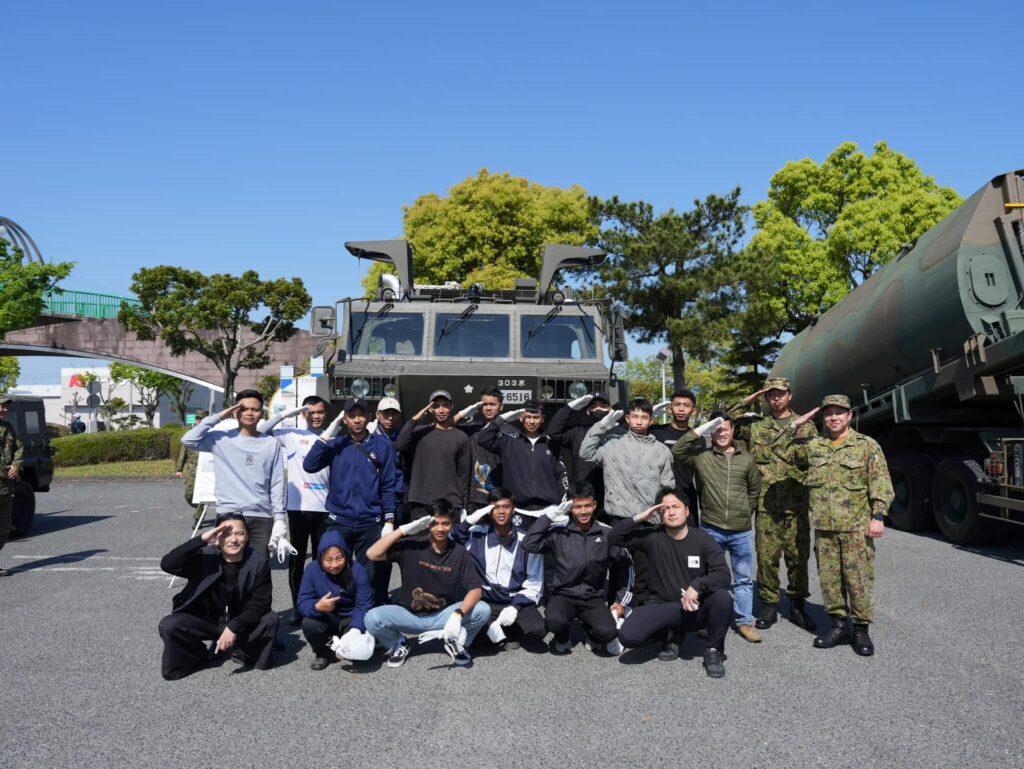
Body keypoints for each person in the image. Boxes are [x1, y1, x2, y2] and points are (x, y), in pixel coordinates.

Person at [773, 395, 893, 656]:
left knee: (858, 581)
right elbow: (779, 450)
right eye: (828, 413)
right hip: (824, 529)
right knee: (830, 581)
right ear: (823, 418)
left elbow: (881, 482)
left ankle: (860, 629)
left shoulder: (866, 445)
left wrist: (878, 516)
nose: (834, 417)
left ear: (850, 415)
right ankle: (839, 626)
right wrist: (794, 425)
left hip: (855, 528)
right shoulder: (814, 446)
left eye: (839, 412)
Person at [611, 488, 733, 678]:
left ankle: (713, 651)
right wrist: (639, 517)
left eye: (675, 506)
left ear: (687, 510)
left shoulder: (702, 539)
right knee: (628, 636)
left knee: (723, 598)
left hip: (693, 608)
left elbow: (724, 575)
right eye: (665, 509)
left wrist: (697, 585)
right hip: (662, 606)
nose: (671, 512)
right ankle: (671, 633)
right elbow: (613, 537)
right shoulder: (652, 536)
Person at [728, 377, 816, 631]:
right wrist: (748, 400)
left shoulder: (806, 426)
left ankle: (797, 605)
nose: (776, 398)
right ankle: (768, 605)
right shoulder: (755, 426)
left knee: (798, 558)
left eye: (781, 394)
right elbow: (725, 422)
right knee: (767, 558)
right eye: (771, 394)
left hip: (797, 504)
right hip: (767, 504)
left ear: (790, 395)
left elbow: (815, 459)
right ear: (766, 397)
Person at [364, 500, 490, 668]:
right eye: (434, 523)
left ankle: (457, 642)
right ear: (427, 524)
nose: (440, 528)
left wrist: (458, 615)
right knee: (372, 618)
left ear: (452, 524)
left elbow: (475, 589)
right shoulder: (412, 545)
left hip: (443, 615)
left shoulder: (460, 553)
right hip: (409, 616)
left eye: (445, 523)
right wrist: (403, 530)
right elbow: (372, 554)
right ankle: (399, 643)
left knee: (483, 609)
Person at [672, 412, 762, 643]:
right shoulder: (702, 457)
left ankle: (744, 621)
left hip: (740, 529)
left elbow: (754, 489)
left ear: (733, 431)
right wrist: (702, 429)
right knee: (708, 576)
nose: (721, 433)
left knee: (743, 578)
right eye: (717, 430)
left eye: (725, 429)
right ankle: (706, 620)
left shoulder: (747, 458)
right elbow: (678, 450)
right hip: (711, 527)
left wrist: (746, 512)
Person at [158, 514, 278, 680]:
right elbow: (168, 564)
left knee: (270, 619)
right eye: (226, 534)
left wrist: (233, 627)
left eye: (240, 533)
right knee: (169, 625)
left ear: (247, 537)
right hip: (207, 619)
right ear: (217, 537)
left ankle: (244, 650)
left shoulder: (258, 562)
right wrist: (202, 539)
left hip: (241, 621)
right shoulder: (205, 557)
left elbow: (261, 603)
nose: (233, 539)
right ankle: (197, 656)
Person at [303, 397, 397, 606]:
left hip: (370, 522)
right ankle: (339, 615)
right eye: (351, 416)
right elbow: (309, 465)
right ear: (344, 419)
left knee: (370, 575)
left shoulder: (382, 446)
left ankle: (368, 617)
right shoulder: (336, 444)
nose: (357, 420)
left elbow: (388, 485)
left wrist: (389, 520)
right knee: (335, 571)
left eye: (361, 415)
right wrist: (327, 434)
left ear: (369, 417)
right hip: (339, 521)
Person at [522, 481, 633, 656]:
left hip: (592, 597)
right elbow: (529, 544)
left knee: (607, 632)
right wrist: (549, 517)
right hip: (563, 595)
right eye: (577, 507)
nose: (583, 511)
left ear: (594, 505)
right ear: (569, 508)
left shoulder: (606, 533)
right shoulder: (559, 531)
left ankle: (591, 633)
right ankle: (563, 637)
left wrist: (621, 602)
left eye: (587, 506)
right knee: (554, 621)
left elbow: (626, 566)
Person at [180, 390, 287, 556]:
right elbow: (188, 439)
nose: (249, 413)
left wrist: (279, 518)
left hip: (261, 516)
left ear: (261, 413)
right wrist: (220, 416)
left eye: (255, 409)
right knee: (229, 565)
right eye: (244, 409)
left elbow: (277, 482)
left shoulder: (271, 443)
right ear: (235, 411)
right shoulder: (219, 439)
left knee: (259, 565)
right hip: (229, 514)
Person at [259, 396, 335, 623]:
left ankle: (322, 604)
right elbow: (261, 431)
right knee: (297, 559)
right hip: (298, 508)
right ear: (303, 414)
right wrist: (284, 414)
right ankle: (298, 606)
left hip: (325, 508)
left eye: (320, 412)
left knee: (324, 559)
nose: (316, 416)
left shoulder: (332, 436)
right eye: (311, 412)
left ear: (325, 413)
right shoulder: (292, 435)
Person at [450, 487, 546, 650]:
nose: (501, 511)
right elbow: (451, 539)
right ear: (489, 510)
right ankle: (496, 630)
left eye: (506, 507)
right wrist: (467, 522)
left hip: (514, 601)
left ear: (513, 509)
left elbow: (535, 582)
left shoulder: (527, 541)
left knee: (537, 630)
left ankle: (508, 630)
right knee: (469, 640)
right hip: (485, 602)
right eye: (496, 507)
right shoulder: (476, 534)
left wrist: (515, 607)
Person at [578, 398, 675, 521]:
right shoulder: (613, 444)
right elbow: (586, 454)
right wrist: (601, 426)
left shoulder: (662, 450)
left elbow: (668, 486)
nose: (639, 422)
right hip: (618, 518)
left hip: (651, 519)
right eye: (635, 417)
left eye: (644, 417)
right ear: (628, 419)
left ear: (651, 421)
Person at [296, 528, 374, 670]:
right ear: (321, 558)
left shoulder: (358, 570)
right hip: (326, 616)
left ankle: (348, 643)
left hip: (350, 616)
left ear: (346, 555)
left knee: (356, 653)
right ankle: (322, 653)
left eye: (339, 558)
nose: (334, 565)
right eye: (328, 560)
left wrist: (356, 629)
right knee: (309, 624)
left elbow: (364, 605)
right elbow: (302, 601)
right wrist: (317, 607)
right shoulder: (312, 569)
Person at [476, 399, 567, 520]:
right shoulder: (508, 441)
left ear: (543, 419)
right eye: (528, 417)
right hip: (517, 509)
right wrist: (501, 419)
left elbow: (560, 475)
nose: (532, 421)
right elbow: (483, 438)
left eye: (536, 417)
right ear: (520, 417)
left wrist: (561, 503)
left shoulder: (551, 443)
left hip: (549, 509)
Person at [396, 390, 471, 517]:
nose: (441, 410)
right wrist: (416, 418)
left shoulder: (461, 437)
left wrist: (463, 505)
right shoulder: (419, 432)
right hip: (421, 502)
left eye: (445, 406)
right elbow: (400, 444)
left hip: (450, 503)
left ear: (451, 407)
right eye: (436, 406)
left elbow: (463, 475)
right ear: (430, 409)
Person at [545, 391, 616, 506]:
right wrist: (569, 408)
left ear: (610, 409)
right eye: (593, 406)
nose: (598, 409)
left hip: (613, 497)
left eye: (603, 406)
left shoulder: (619, 433)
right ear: (588, 411)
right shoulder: (578, 431)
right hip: (583, 496)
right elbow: (553, 432)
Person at [649, 390, 701, 523]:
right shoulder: (656, 432)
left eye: (686, 405)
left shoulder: (697, 438)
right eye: (677, 404)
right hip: (658, 493)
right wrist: (650, 414)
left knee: (689, 532)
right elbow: (631, 432)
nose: (681, 409)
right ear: (670, 408)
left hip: (686, 494)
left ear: (693, 411)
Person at [453, 387, 506, 512]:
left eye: (492, 404)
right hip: (475, 498)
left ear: (501, 407)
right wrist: (463, 414)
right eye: (485, 404)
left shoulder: (509, 432)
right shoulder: (471, 428)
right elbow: (446, 425)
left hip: (500, 498)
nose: (488, 408)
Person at [0, 395, 22, 578]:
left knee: (4, 527)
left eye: (6, 407)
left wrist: (16, 465)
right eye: (1, 406)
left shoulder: (8, 427)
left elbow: (19, 447)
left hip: (5, 486)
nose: (4, 409)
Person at [174, 410, 208, 523]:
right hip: (192, 470)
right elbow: (183, 452)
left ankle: (198, 517)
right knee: (188, 494)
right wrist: (179, 469)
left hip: (206, 470)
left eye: (201, 419)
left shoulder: (211, 434)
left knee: (202, 495)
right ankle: (200, 508)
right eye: (198, 419)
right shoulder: (190, 434)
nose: (199, 421)